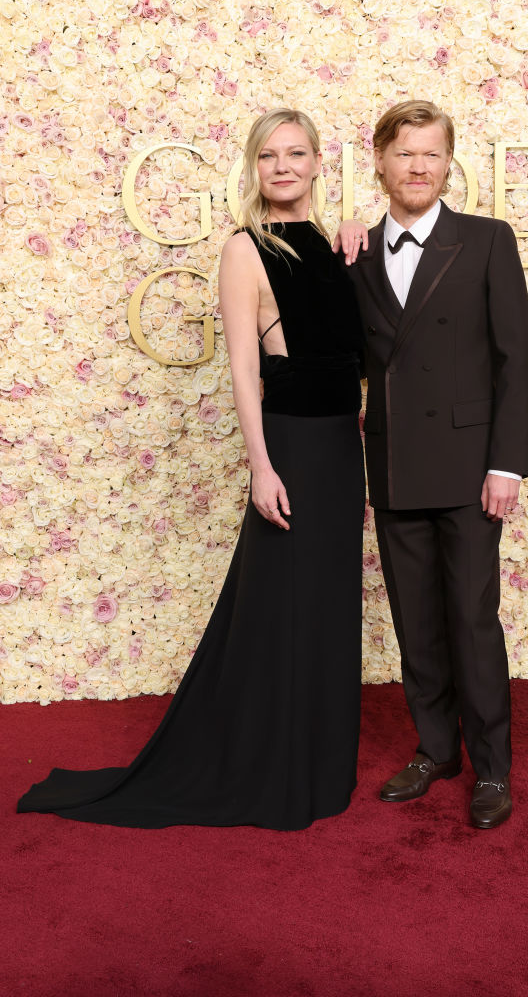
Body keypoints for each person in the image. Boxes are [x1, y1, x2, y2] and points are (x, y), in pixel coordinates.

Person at [18, 109, 366, 831]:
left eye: (296, 153)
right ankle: (270, 763)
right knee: (281, 609)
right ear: (253, 167)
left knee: (328, 607)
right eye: (268, 155)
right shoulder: (245, 248)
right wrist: (260, 468)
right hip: (292, 447)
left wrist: (356, 239)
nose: (282, 167)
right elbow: (242, 369)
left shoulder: (337, 244)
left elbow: (352, 348)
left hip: (341, 448)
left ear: (316, 163)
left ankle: (319, 759)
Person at [336, 100, 528, 829]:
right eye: (404, 153)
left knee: (470, 618)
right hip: (391, 462)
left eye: (431, 154)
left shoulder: (485, 240)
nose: (417, 166)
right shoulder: (353, 254)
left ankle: (491, 768)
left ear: (448, 163)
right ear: (380, 162)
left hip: (469, 466)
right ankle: (434, 748)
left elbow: (514, 359)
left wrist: (506, 465)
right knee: (414, 621)